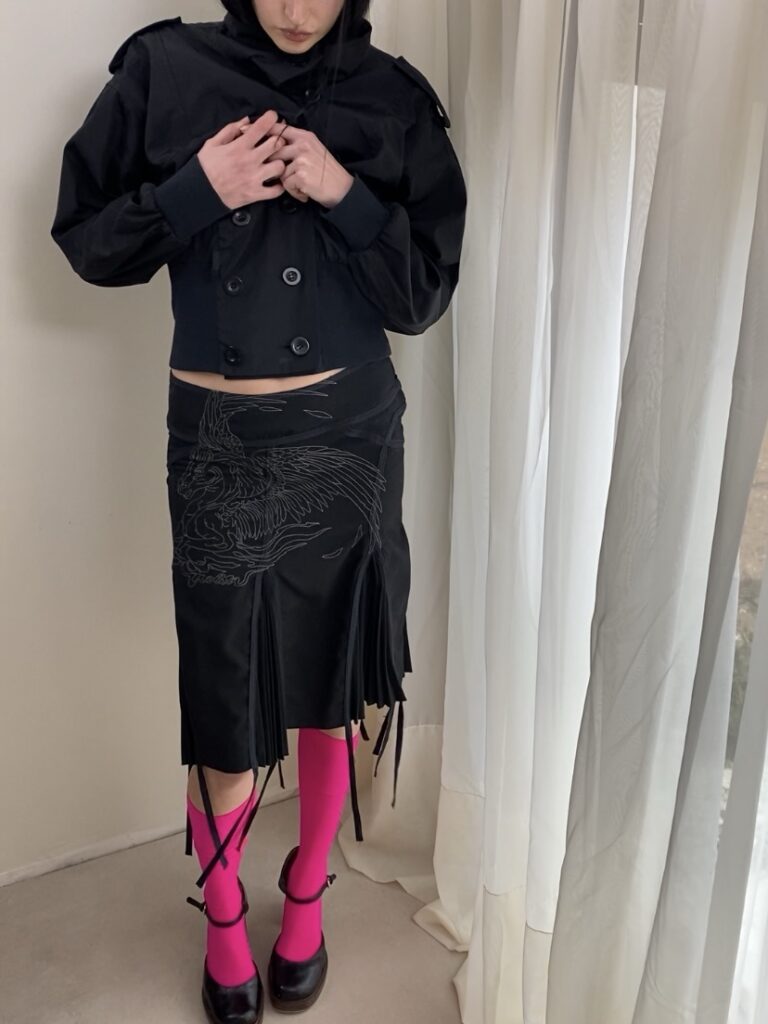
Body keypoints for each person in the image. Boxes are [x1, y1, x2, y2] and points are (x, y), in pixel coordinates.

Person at [50, 1, 466, 1020]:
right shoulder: (165, 71)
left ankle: (308, 890)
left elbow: (421, 296)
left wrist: (344, 194)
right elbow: (88, 242)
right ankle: (225, 908)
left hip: (352, 433)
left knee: (333, 687)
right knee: (224, 702)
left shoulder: (393, 98)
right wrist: (197, 190)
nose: (295, 9)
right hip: (218, 445)